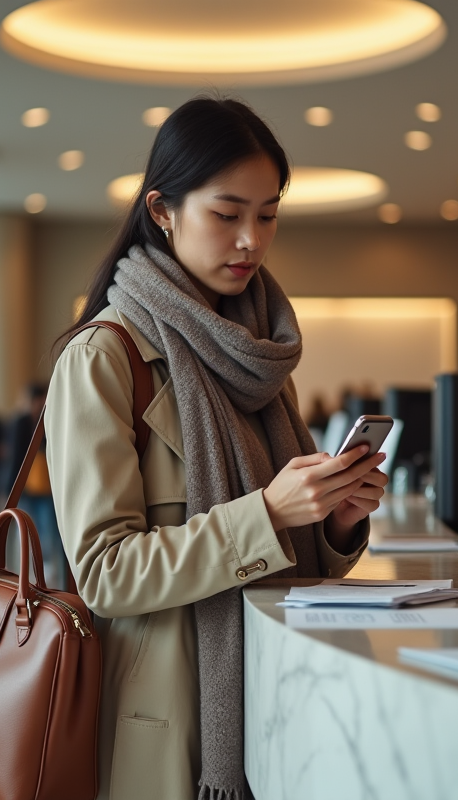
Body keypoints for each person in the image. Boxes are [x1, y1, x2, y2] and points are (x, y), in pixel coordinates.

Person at [45, 97, 388, 800]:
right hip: (169, 724)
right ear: (163, 210)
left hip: (276, 699)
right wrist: (264, 513)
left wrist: (337, 517)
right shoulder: (104, 359)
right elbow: (107, 575)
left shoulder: (255, 355)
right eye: (226, 214)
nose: (250, 240)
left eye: (267, 214)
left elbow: (296, 552)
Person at [5, 384, 64, 587]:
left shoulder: (54, 417)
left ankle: (48, 567)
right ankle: (37, 568)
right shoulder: (22, 422)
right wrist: (10, 488)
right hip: (27, 486)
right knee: (31, 529)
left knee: (49, 529)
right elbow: (15, 457)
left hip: (48, 486)